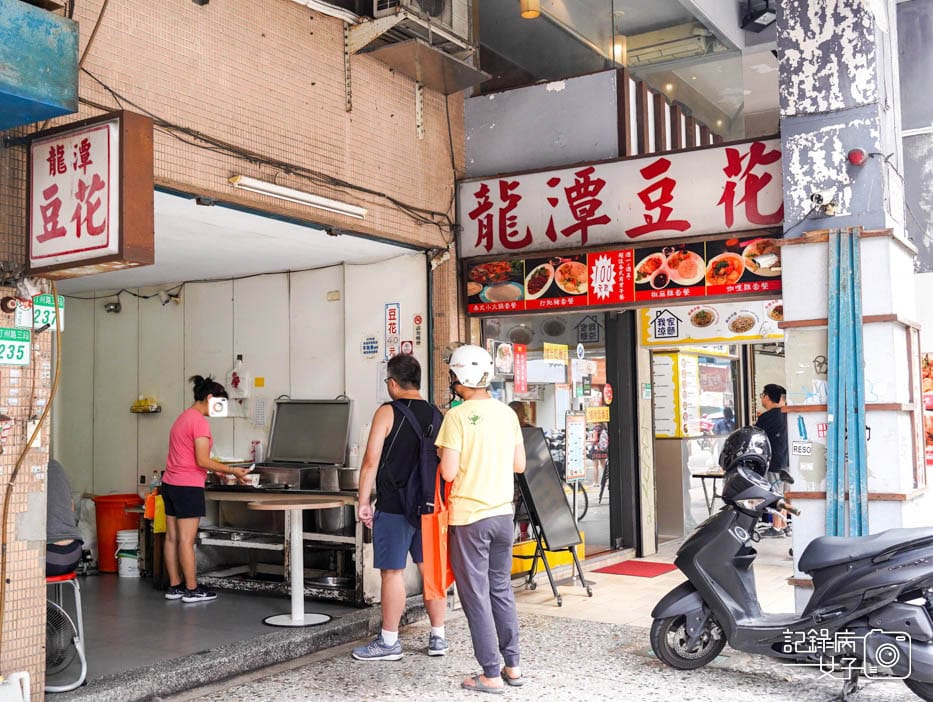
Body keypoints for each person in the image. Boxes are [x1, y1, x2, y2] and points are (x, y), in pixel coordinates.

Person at [436, 345, 526, 693]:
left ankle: (489, 673)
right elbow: (519, 465)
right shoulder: (507, 414)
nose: (452, 381)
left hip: (470, 518)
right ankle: (512, 667)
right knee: (501, 590)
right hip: (503, 515)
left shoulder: (456, 417)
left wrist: (444, 451)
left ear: (461, 376)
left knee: (475, 595)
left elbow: (447, 473)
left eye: (454, 375)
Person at [352, 354, 448, 661]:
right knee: (429, 570)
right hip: (430, 506)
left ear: (393, 383)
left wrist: (363, 501)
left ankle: (390, 642)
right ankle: (438, 637)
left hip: (394, 506)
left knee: (392, 572)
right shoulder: (437, 414)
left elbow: (370, 462)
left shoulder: (387, 412)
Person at [162, 375, 250, 603]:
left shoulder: (182, 418)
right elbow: (202, 460)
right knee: (186, 540)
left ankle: (175, 587)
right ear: (210, 398)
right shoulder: (199, 422)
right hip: (187, 487)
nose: (219, 409)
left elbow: (189, 458)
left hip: (170, 484)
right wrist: (233, 471)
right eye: (220, 403)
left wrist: (217, 470)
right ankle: (192, 589)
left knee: (171, 538)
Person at [755, 384, 790, 537]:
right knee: (785, 495)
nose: (761, 398)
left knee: (776, 495)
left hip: (775, 462)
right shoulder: (789, 414)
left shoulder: (768, 417)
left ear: (767, 397)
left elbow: (755, 435)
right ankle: (783, 524)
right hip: (788, 461)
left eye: (762, 395)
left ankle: (776, 528)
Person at [46, 459, 83, 576]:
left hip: (50, 558)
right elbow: (71, 507)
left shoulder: (27, 472)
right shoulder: (56, 467)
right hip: (75, 554)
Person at [588, 423, 608, 488]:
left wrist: (588, 440)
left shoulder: (596, 428)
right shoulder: (603, 427)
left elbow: (595, 440)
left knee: (595, 466)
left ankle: (596, 482)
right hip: (602, 449)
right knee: (604, 466)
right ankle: (607, 481)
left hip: (596, 449)